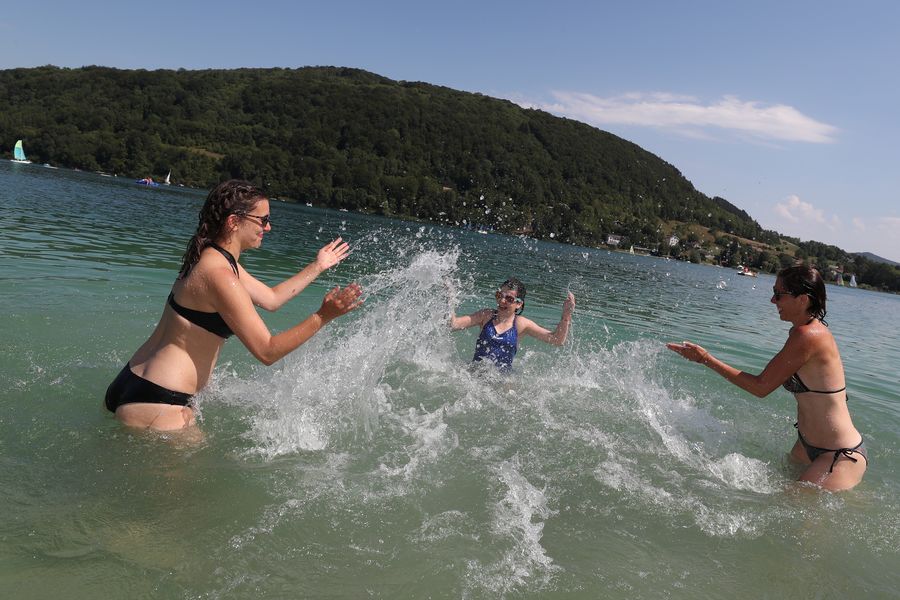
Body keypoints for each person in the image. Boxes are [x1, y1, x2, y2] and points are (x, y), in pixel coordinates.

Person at [105, 179, 363, 431]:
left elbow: (271, 299)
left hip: (132, 381)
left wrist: (317, 266)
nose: (269, 227)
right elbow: (267, 351)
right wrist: (323, 316)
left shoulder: (211, 257)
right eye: (263, 220)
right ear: (233, 222)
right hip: (161, 401)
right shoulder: (221, 276)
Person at [667, 265, 866, 491]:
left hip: (838, 456)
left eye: (779, 294)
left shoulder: (808, 335)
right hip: (806, 446)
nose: (773, 300)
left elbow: (761, 387)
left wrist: (705, 359)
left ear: (802, 299)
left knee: (793, 517)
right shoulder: (802, 332)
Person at [450, 277, 575, 371]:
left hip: (502, 381)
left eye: (509, 299)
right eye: (499, 295)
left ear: (519, 304)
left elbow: (557, 340)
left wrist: (566, 315)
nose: (502, 301)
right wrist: (449, 298)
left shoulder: (521, 324)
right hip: (473, 375)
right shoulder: (485, 315)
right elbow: (453, 324)